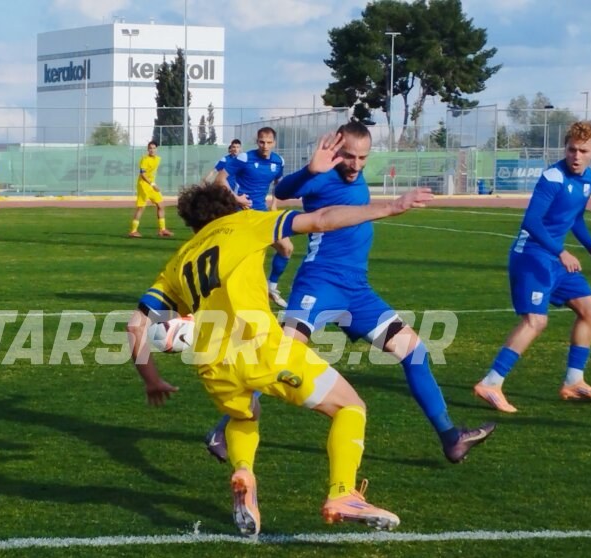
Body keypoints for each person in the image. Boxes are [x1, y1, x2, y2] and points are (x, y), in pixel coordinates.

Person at [127, 137, 434, 536]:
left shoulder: (178, 262)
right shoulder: (247, 222)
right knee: (350, 407)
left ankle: (244, 472)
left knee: (244, 415)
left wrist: (151, 379)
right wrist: (389, 207)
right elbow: (320, 220)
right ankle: (342, 492)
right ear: (229, 206)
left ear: (194, 224)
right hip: (263, 350)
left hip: (212, 367)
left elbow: (135, 326)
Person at [206, 122, 495, 465]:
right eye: (350, 156)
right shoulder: (323, 174)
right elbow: (283, 190)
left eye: (363, 158)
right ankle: (223, 430)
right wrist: (310, 170)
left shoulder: (354, 175)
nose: (356, 164)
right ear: (337, 150)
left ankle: (451, 438)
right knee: (279, 356)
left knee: (414, 351)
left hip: (357, 291)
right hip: (320, 283)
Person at [474, 121, 591, 413]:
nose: (576, 156)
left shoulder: (589, 180)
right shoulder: (553, 177)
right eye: (571, 149)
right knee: (535, 321)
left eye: (582, 151)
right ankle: (490, 383)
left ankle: (574, 381)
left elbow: (575, 218)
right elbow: (532, 222)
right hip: (532, 255)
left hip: (554, 258)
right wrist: (561, 252)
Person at [217, 127, 289, 307]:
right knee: (241, 259)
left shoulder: (278, 161)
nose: (265, 146)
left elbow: (278, 185)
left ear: (274, 143)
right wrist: (237, 198)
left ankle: (271, 287)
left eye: (269, 142)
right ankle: (222, 294)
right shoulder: (244, 158)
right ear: (257, 142)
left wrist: (274, 204)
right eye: (262, 142)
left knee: (286, 248)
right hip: (240, 213)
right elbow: (220, 179)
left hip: (261, 214)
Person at [128, 141, 170, 238]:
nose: (152, 150)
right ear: (148, 149)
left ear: (156, 149)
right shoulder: (144, 159)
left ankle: (162, 230)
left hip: (151, 186)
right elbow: (143, 175)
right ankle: (133, 231)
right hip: (143, 185)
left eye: (154, 148)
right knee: (141, 208)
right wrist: (153, 184)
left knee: (161, 205)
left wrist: (153, 184)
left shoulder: (158, 159)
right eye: (150, 148)